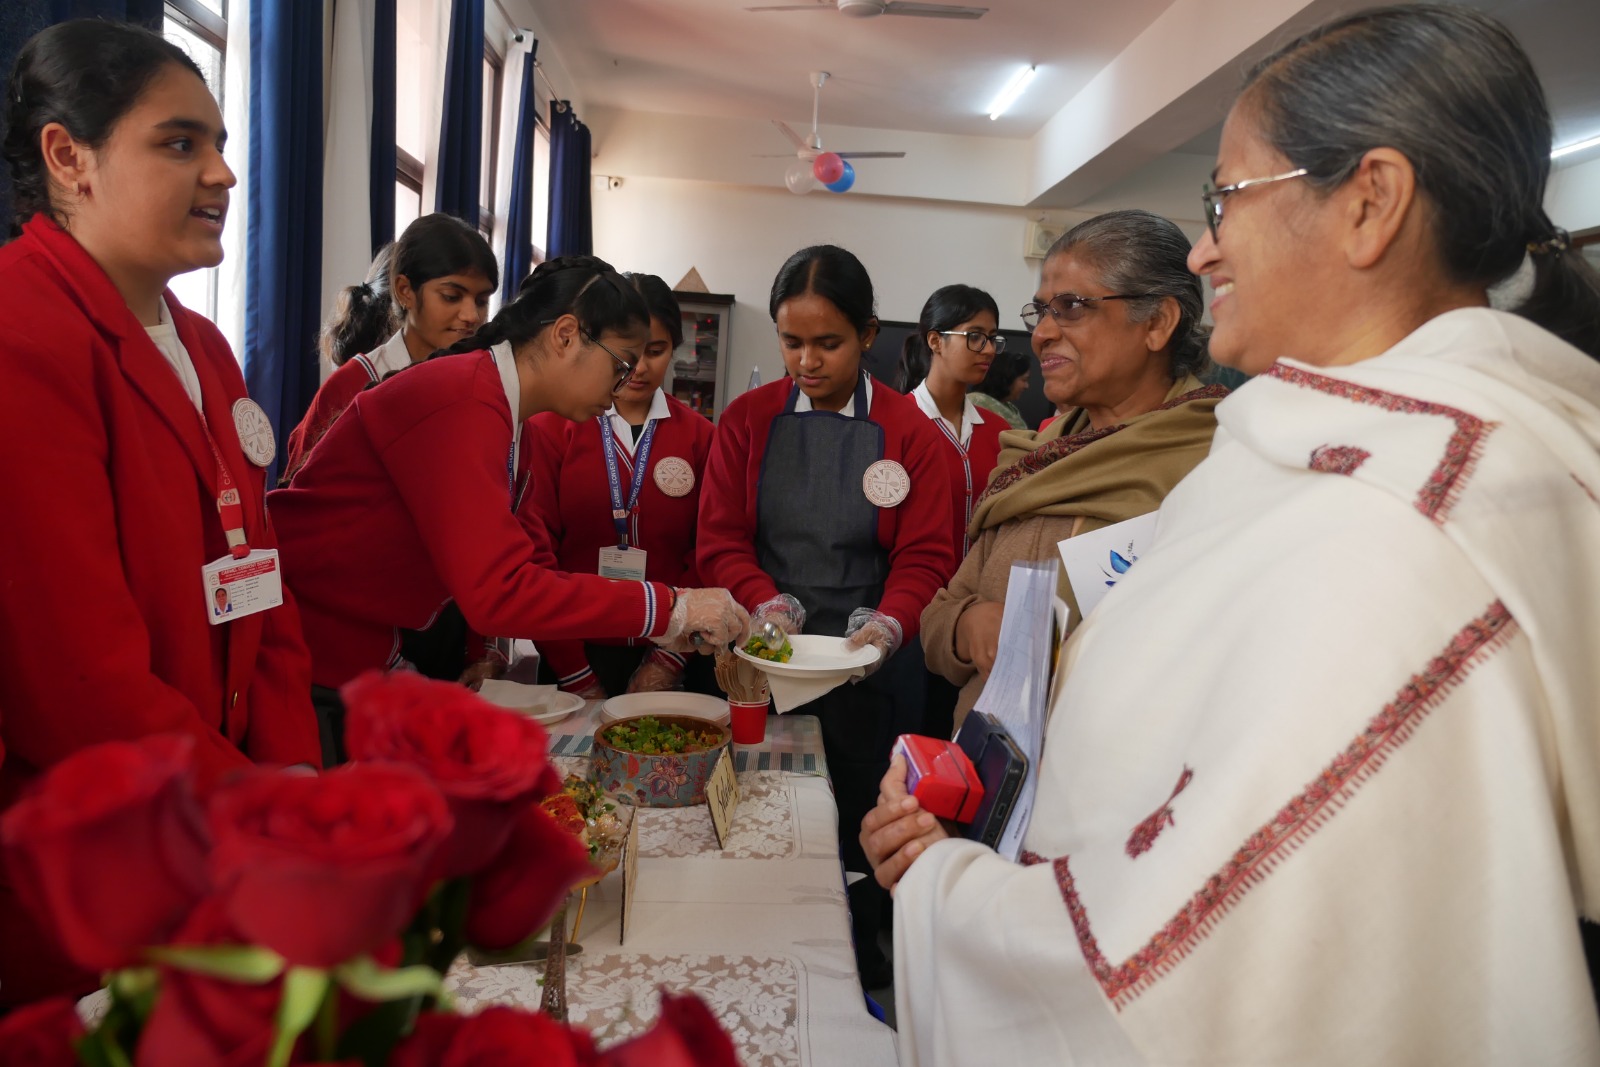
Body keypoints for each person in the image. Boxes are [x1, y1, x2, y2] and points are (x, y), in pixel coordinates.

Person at [868, 7, 1600, 1064]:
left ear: (1369, 202)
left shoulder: (1399, 528)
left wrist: (945, 885)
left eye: (1224, 199)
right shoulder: (1301, 447)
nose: (1204, 246)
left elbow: (1203, 971)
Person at [0, 19, 321, 1008]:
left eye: (219, 143)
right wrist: (256, 806)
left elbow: (263, 591)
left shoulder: (207, 348)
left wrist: (294, 778)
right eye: (180, 143)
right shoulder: (23, 332)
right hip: (97, 860)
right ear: (70, 157)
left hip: (217, 831)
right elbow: (76, 685)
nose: (223, 173)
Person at [270, 257, 749, 764]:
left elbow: (515, 562)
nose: (620, 388)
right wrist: (668, 608)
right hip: (308, 653)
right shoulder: (466, 400)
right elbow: (499, 590)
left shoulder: (507, 413)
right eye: (620, 364)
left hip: (367, 650)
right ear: (566, 336)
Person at [697, 245, 954, 988]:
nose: (806, 361)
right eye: (792, 341)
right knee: (759, 814)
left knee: (859, 825)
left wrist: (887, 625)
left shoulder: (910, 433)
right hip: (764, 659)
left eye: (828, 343)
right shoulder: (747, 421)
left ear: (868, 334)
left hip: (868, 667)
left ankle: (851, 965)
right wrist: (764, 601)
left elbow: (926, 555)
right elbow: (720, 538)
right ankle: (753, 949)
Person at [921, 211, 1225, 729]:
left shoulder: (1212, 470)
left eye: (1071, 308)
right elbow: (940, 613)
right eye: (1041, 311)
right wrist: (968, 627)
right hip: (983, 765)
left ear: (1157, 322)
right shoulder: (1036, 460)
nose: (1041, 334)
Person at [523, 273, 717, 697]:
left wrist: (668, 661)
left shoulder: (701, 437)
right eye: (628, 352)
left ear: (675, 348)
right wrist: (575, 673)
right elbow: (536, 556)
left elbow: (706, 553)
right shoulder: (556, 427)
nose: (639, 367)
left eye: (656, 351)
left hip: (673, 648)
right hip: (571, 647)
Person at [281, 214, 496, 482]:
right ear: (405, 291)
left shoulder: (481, 385)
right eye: (451, 297)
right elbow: (298, 492)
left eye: (481, 301)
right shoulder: (352, 384)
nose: (472, 316)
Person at [896, 284, 1010, 739]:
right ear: (935, 341)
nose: (988, 350)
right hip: (907, 619)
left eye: (993, 339)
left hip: (971, 625)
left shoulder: (999, 432)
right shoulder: (896, 423)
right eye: (975, 336)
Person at [968, 349, 1030, 429]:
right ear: (1008, 378)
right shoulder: (975, 402)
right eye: (1024, 380)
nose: (1026, 386)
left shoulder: (1010, 408)